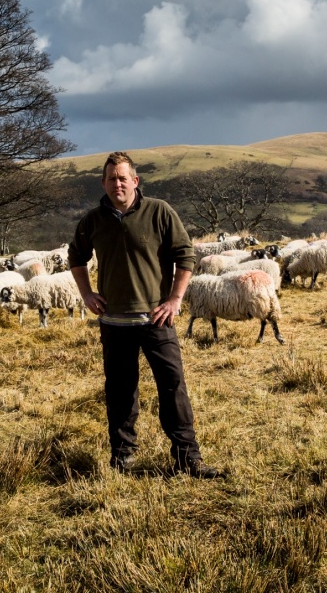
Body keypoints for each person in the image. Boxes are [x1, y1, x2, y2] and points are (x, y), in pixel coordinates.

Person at [68, 151, 224, 479]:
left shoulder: (159, 212)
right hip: (114, 323)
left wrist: (175, 299)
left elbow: (185, 255)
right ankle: (122, 459)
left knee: (172, 386)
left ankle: (187, 459)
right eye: (112, 179)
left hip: (156, 320)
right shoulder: (93, 221)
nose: (117, 184)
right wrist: (85, 293)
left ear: (135, 181)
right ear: (103, 183)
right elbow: (76, 257)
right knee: (120, 391)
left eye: (123, 178)